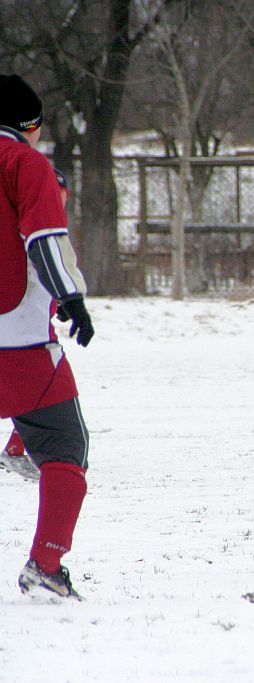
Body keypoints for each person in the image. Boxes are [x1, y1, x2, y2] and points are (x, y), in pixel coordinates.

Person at [0, 74, 95, 599]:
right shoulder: (25, 163)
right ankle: (45, 567)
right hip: (17, 339)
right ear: (28, 125)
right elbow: (43, 237)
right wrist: (71, 298)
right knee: (64, 448)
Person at [1, 168, 70, 480]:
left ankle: (17, 447)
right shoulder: (27, 227)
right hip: (23, 330)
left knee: (33, 390)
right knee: (34, 389)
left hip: (34, 326)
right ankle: (17, 448)